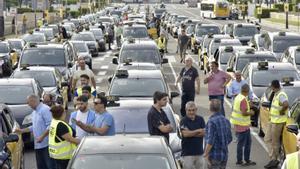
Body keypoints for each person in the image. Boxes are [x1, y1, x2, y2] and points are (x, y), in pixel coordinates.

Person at [15, 94, 54, 169]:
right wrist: (21, 131)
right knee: (41, 166)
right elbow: (34, 126)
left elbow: (51, 125)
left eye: (28, 102)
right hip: (38, 145)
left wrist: (42, 137)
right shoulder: (34, 112)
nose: (28, 104)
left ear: (33, 101)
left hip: (46, 145)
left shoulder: (45, 109)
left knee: (49, 166)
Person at [264, 80, 289, 169]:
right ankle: (273, 159)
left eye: (271, 87)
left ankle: (275, 160)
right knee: (267, 139)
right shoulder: (276, 94)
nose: (271, 88)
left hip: (278, 122)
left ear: (274, 87)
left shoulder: (281, 94)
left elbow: (286, 104)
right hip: (273, 120)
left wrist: (281, 111)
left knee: (275, 142)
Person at [230, 84, 256, 166]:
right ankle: (241, 160)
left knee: (245, 143)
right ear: (247, 91)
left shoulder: (238, 97)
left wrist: (249, 105)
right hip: (243, 125)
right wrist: (251, 112)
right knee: (243, 144)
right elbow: (244, 113)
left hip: (239, 124)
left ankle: (244, 160)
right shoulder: (243, 100)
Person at [204, 99, 232, 169]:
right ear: (220, 108)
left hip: (214, 155)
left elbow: (210, 141)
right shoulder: (226, 120)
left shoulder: (211, 122)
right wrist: (222, 144)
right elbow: (229, 138)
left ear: (210, 108)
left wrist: (205, 154)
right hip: (224, 155)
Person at [180, 101, 205, 169]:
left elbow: (203, 133)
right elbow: (185, 134)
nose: (191, 112)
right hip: (187, 154)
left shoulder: (201, 119)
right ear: (186, 110)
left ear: (196, 110)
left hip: (199, 153)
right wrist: (198, 131)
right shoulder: (183, 121)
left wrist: (190, 133)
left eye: (193, 110)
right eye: (189, 110)